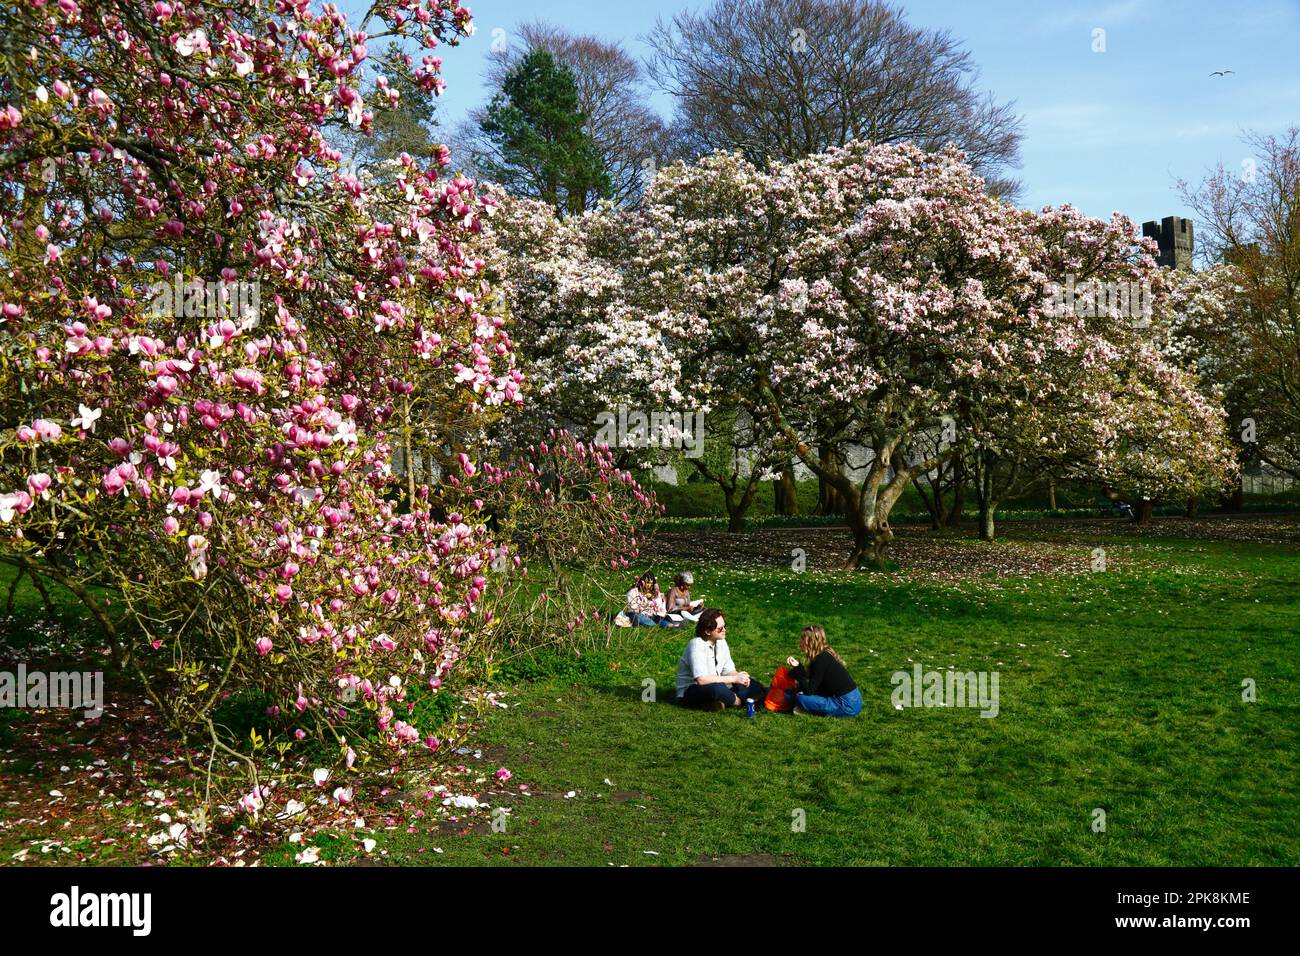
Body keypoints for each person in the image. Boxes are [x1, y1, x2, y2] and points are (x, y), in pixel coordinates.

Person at [676, 608, 768, 711]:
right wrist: (734, 679)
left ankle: (717, 703)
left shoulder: (721, 642)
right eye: (720, 628)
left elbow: (728, 670)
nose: (724, 630)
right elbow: (701, 680)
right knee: (717, 689)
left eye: (724, 626)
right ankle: (740, 702)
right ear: (707, 631)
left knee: (752, 684)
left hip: (717, 682)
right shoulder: (696, 645)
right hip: (692, 690)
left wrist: (739, 677)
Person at [784, 625, 861, 717]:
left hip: (846, 705)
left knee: (799, 697)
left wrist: (797, 674)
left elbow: (809, 690)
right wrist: (798, 666)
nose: (799, 641)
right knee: (792, 692)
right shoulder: (824, 655)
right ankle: (808, 708)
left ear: (810, 642)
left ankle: (808, 711)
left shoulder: (820, 660)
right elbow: (814, 683)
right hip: (853, 700)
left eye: (802, 639)